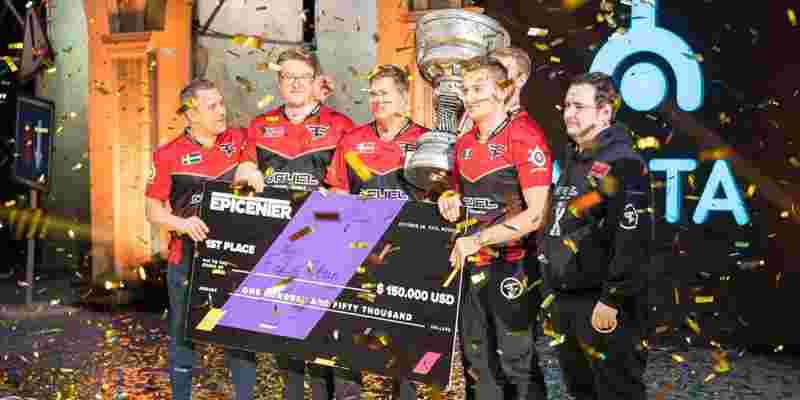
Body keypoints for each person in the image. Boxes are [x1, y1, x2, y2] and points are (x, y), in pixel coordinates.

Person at [234, 47, 356, 400]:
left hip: (325, 245)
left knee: (323, 339)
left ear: (316, 81)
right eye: (288, 77)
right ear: (279, 82)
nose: (296, 83)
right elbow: (244, 170)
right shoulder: (260, 126)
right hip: (277, 247)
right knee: (285, 341)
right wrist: (248, 171)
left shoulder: (340, 126)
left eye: (303, 77)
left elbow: (350, 186)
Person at [437, 57, 551, 400]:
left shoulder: (525, 136)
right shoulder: (463, 143)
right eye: (465, 89)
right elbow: (460, 194)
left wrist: (478, 239)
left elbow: (536, 215)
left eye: (478, 88)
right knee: (476, 360)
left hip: (515, 265)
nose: (469, 97)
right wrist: (449, 197)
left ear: (503, 91)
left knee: (517, 361)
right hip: (473, 269)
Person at [145, 79, 264, 400]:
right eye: (212, 106)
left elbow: (251, 166)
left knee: (239, 337)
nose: (222, 111)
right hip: (186, 261)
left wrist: (250, 172)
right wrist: (183, 224)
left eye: (222, 103)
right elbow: (153, 211)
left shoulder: (238, 139)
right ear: (191, 113)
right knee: (183, 337)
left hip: (234, 259)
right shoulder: (167, 154)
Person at [538, 71, 651, 400]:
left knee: (617, 390)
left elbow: (632, 237)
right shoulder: (574, 158)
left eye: (579, 106)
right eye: (566, 105)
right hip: (566, 301)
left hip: (601, 304)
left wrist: (612, 297)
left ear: (604, 112)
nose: (569, 113)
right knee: (581, 390)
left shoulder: (622, 162)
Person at [325, 64, 427, 400]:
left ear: (404, 98)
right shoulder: (353, 141)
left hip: (407, 256)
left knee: (404, 340)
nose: (377, 100)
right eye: (373, 94)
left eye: (385, 94)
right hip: (358, 255)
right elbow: (339, 191)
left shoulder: (425, 141)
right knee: (349, 334)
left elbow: (442, 195)